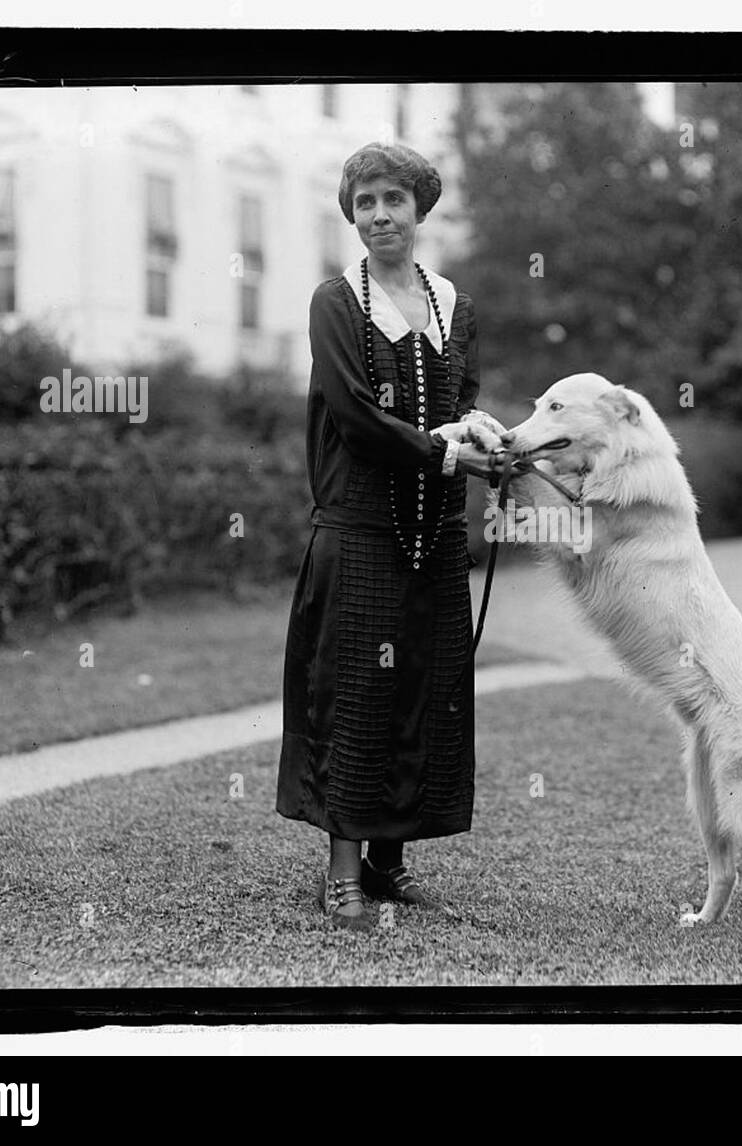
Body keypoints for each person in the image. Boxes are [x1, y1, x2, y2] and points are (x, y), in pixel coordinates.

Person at [276, 142, 504, 933]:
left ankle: (388, 862)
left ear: (419, 209)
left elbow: (461, 398)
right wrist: (448, 451)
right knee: (358, 695)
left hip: (435, 534)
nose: (379, 215)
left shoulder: (454, 306)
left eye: (393, 200)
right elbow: (356, 419)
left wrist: (482, 434)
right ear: (352, 212)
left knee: (424, 689)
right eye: (365, 201)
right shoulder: (335, 302)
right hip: (362, 532)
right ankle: (341, 877)